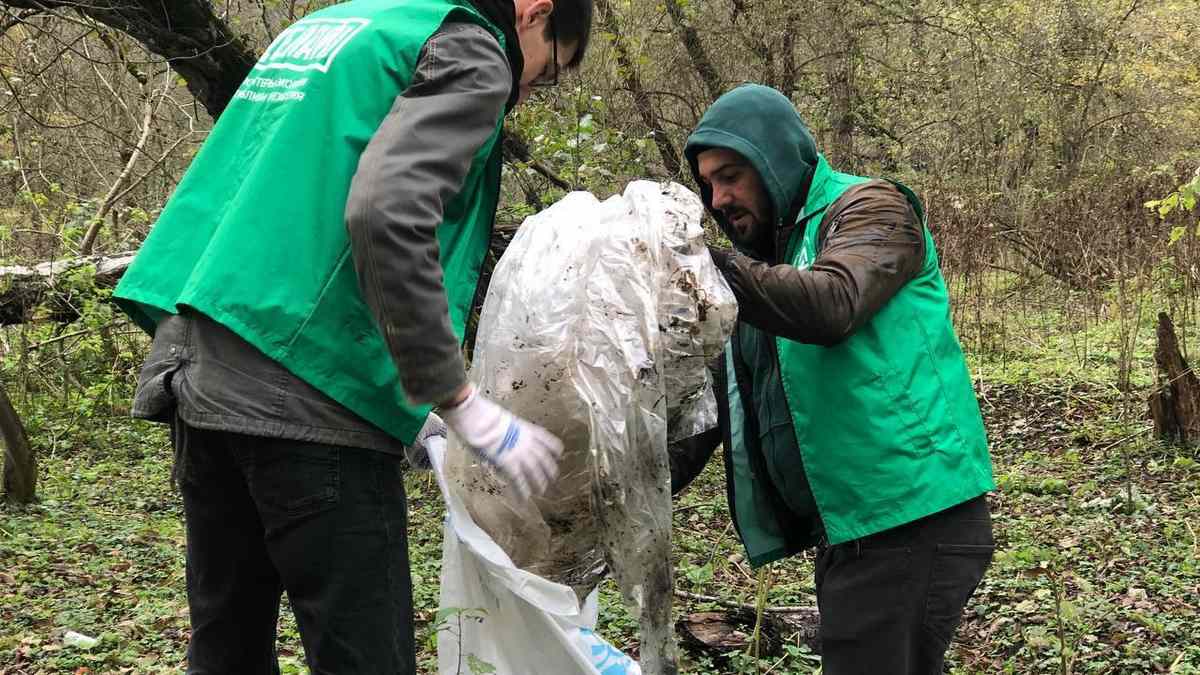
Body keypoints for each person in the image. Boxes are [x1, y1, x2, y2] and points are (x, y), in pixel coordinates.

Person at [111, 0, 593, 671]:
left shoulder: (341, 28)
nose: (529, 92)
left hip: (201, 363)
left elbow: (296, 215)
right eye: (548, 70)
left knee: (227, 647)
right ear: (535, 11)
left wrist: (408, 403)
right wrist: (455, 397)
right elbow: (385, 210)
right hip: (309, 397)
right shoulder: (473, 49)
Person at [670, 83, 996, 674]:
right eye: (709, 184)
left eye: (732, 175)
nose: (718, 199)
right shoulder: (768, 276)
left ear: (775, 157)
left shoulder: (873, 208)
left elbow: (834, 304)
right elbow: (714, 409)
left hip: (911, 518)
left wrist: (692, 260)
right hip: (856, 529)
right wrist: (607, 496)